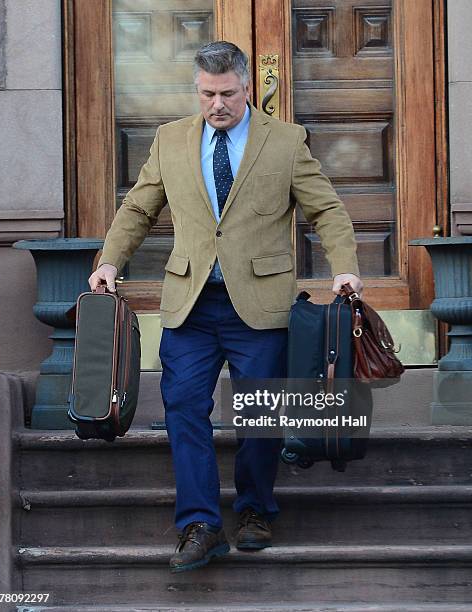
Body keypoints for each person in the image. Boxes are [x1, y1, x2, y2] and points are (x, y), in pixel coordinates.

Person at [89, 41, 363, 573]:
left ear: (246, 88)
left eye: (228, 94)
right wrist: (109, 261)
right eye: (207, 94)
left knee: (259, 414)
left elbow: (325, 207)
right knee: (183, 409)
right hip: (189, 304)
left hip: (259, 305)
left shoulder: (284, 141)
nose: (217, 104)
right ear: (198, 90)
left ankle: (256, 511)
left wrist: (344, 265)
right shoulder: (170, 141)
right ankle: (200, 524)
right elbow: (138, 208)